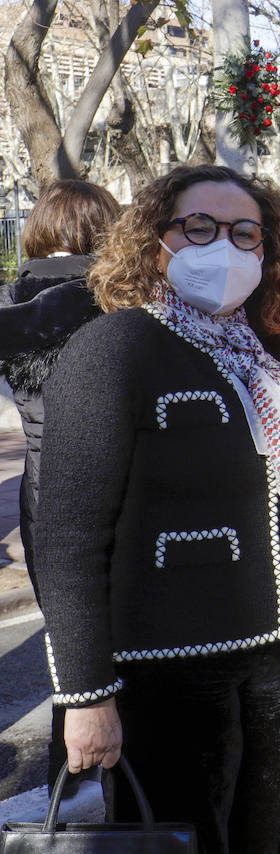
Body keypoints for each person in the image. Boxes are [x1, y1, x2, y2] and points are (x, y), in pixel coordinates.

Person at [33, 164, 280, 854]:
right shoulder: (115, 349)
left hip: (264, 668)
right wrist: (86, 696)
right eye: (201, 228)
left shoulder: (258, 360)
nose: (224, 246)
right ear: (156, 244)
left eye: (244, 233)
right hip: (161, 684)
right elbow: (66, 534)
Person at [0, 179, 120, 793]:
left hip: (39, 495)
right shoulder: (108, 297)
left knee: (66, 654)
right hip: (102, 491)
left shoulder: (17, 299)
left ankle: (67, 795)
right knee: (109, 655)